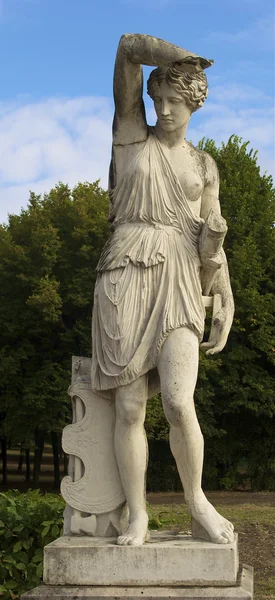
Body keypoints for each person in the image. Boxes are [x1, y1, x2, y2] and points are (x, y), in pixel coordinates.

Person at [91, 34, 235, 546]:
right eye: (158, 100)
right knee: (130, 406)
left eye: (175, 101)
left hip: (179, 277)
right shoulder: (131, 136)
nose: (164, 109)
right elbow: (129, 49)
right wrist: (181, 58)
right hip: (126, 273)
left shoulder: (204, 166)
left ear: (195, 100)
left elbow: (209, 233)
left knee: (178, 400)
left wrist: (224, 293)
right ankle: (137, 514)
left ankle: (197, 500)